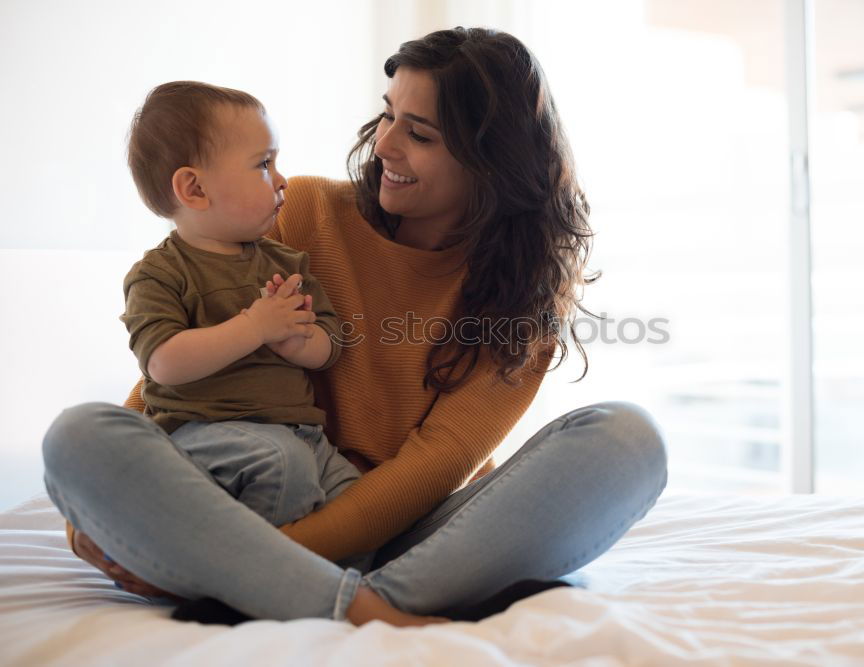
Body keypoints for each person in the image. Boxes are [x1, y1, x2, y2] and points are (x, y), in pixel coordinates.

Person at [41, 27, 669, 628]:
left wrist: (258, 560)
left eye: (418, 133)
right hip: (244, 510)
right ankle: (355, 604)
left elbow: (433, 467)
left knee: (626, 440)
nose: (385, 145)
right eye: (388, 114)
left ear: (490, 164)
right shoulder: (299, 216)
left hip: (401, 536)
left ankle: (305, 596)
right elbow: (169, 392)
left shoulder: (520, 305)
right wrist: (101, 515)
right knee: (80, 435)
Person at [101, 82, 374, 560]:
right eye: (263, 164)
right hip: (206, 435)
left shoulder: (288, 262)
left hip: (303, 435)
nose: (281, 178)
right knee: (280, 464)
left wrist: (298, 343)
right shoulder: (160, 273)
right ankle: (239, 579)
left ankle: (332, 589)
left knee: (360, 512)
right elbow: (162, 364)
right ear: (195, 189)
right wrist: (254, 328)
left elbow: (332, 344)